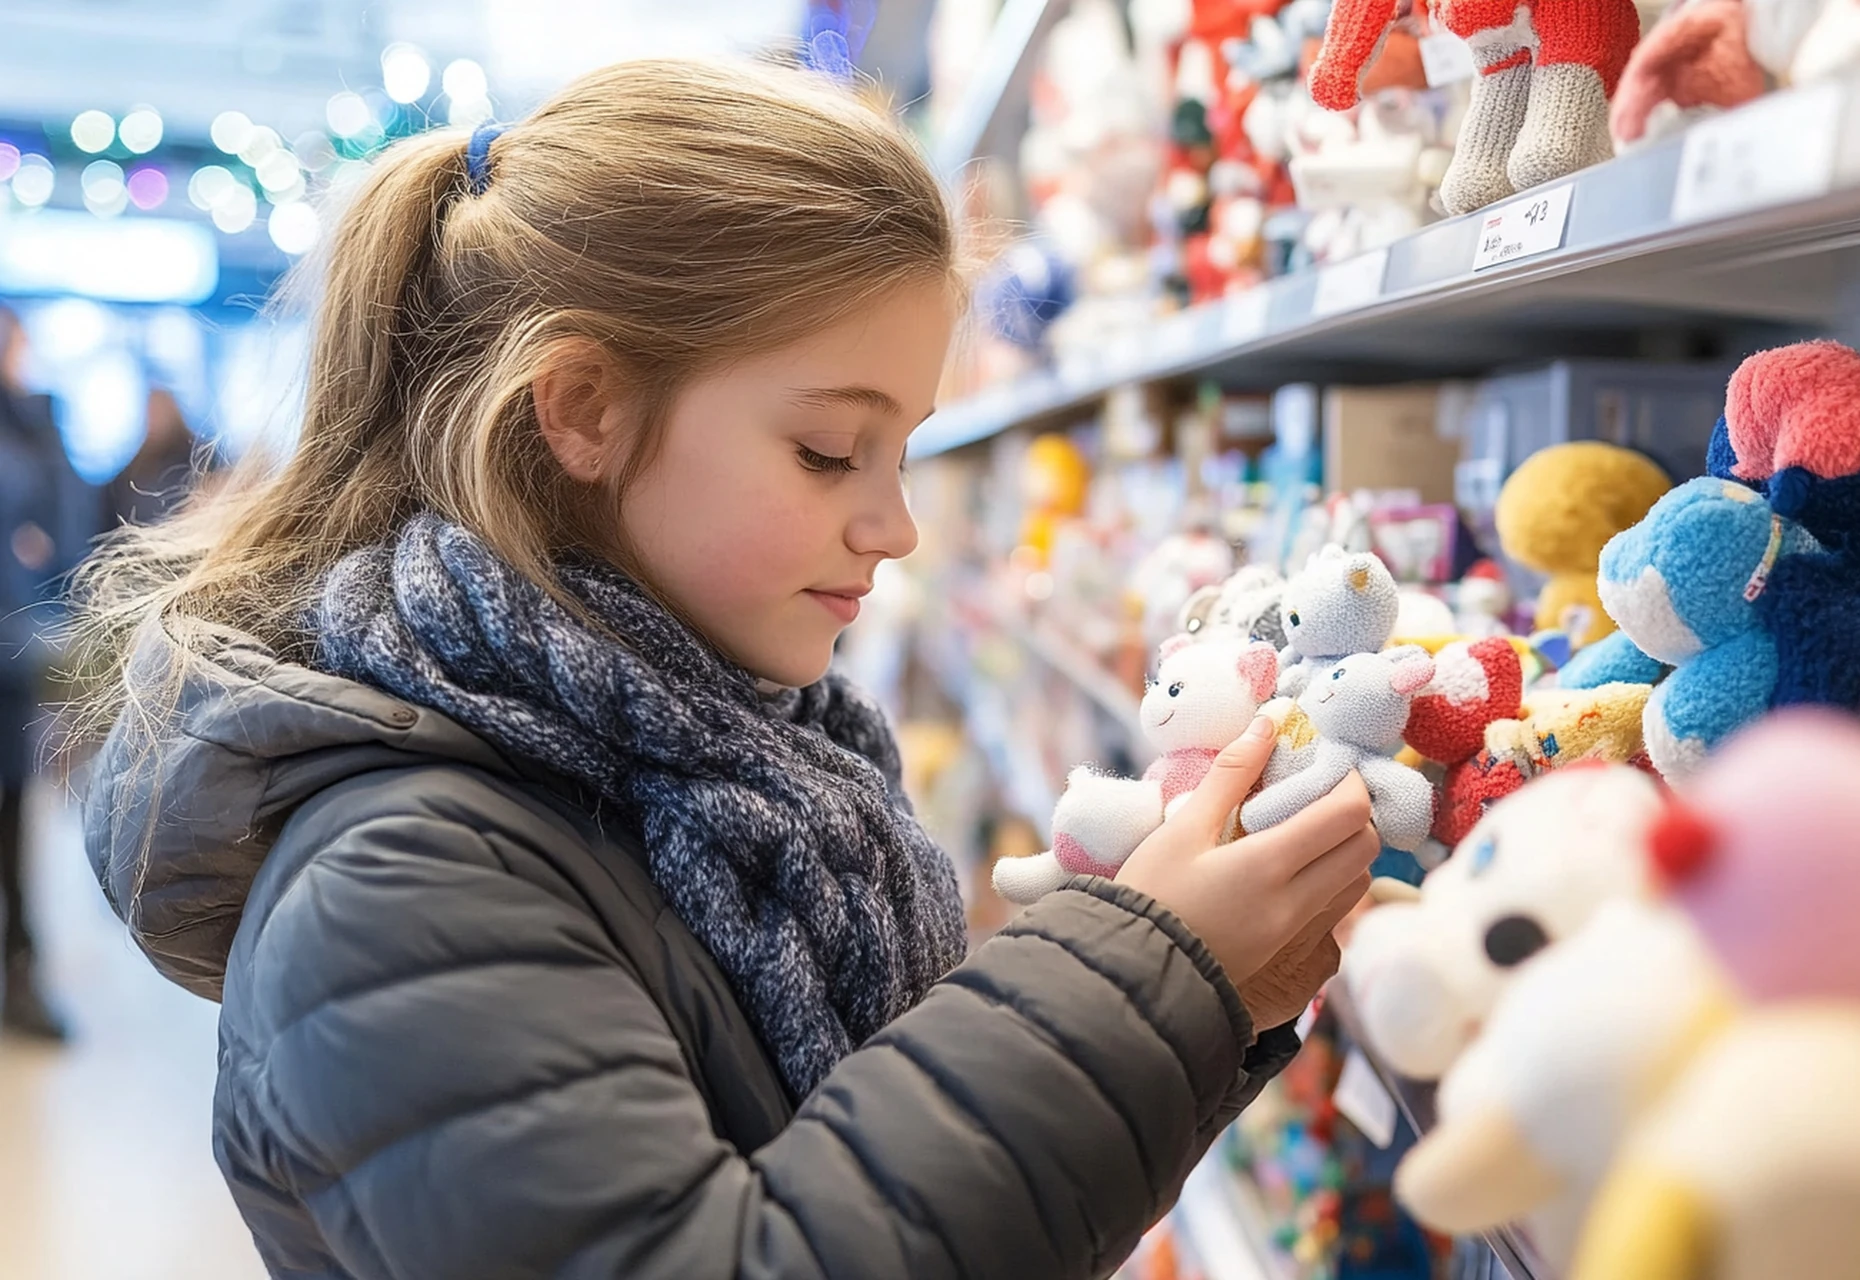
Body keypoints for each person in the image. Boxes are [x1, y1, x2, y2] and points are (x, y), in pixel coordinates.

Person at [71, 58, 1376, 1278]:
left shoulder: (749, 755)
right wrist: (1129, 977)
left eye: (903, 452)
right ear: (582, 408)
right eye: (827, 451)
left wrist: (1206, 1000)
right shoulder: (397, 882)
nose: (897, 527)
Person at [0, 305, 85, 1042]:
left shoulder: (29, 424)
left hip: (8, 654)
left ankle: (19, 970)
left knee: (12, 822)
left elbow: (64, 526)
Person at [105, 387, 202, 528]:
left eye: (159, 411)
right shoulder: (132, 471)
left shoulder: (196, 461)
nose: (154, 418)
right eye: (151, 412)